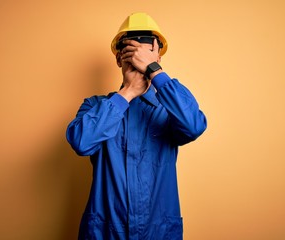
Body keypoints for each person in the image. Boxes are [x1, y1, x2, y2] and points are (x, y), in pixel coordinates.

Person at [66, 12, 207, 240]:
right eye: (131, 53)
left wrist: (156, 73)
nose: (137, 63)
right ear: (118, 59)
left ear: (158, 58)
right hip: (106, 231)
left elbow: (194, 125)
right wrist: (128, 92)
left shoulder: (169, 108)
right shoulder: (96, 106)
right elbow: (81, 142)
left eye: (145, 54)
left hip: (158, 231)